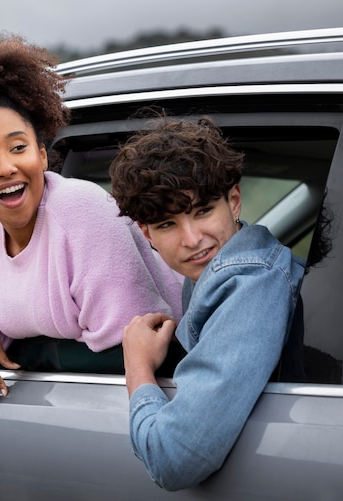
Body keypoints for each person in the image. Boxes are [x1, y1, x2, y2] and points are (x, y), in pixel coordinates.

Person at [0, 30, 183, 406]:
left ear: (41, 155)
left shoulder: (79, 211)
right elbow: (20, 296)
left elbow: (140, 341)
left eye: (18, 148)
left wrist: (30, 355)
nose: (5, 167)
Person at [109, 117, 306, 491]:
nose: (192, 239)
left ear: (233, 201)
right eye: (167, 224)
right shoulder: (216, 271)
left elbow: (174, 459)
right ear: (145, 232)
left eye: (202, 211)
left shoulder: (252, 284)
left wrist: (137, 365)